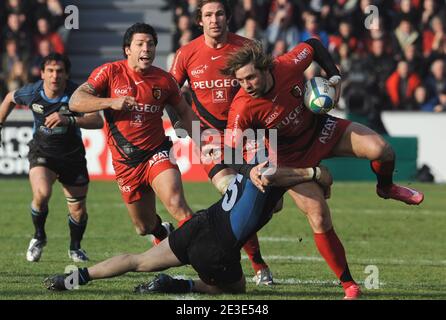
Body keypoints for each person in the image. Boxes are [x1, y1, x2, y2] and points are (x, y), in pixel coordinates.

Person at [220, 39, 424, 299]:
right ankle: (349, 284)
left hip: (322, 129)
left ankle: (386, 187)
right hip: (291, 158)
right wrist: (248, 170)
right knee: (318, 214)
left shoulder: (287, 65)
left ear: (264, 69)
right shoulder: (242, 106)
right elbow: (229, 151)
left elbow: (314, 45)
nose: (246, 85)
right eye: (240, 81)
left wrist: (335, 76)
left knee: (382, 149)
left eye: (250, 78)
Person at [44, 164, 333, 295]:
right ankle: (178, 284)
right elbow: (273, 178)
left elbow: (270, 193)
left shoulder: (248, 167)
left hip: (199, 223)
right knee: (235, 290)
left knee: (139, 260)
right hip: (216, 247)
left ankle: (74, 278)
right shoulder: (272, 173)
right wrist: (315, 174)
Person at [168, 0, 274, 286]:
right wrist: (185, 129)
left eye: (219, 14)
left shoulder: (249, 47)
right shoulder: (186, 53)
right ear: (199, 21)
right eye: (208, 15)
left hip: (249, 137)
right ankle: (255, 264)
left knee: (271, 204)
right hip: (211, 139)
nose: (214, 19)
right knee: (234, 196)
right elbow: (169, 93)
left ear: (228, 17)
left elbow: (269, 85)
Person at [68, 23, 197, 245]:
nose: (146, 49)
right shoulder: (109, 72)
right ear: (128, 49)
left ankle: (206, 258)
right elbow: (75, 101)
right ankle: (161, 232)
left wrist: (206, 142)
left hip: (157, 151)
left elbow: (184, 111)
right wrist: (112, 102)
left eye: (151, 44)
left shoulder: (165, 80)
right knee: (143, 226)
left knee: (177, 203)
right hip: (126, 163)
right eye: (140, 44)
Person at [0, 53, 104, 262]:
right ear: (42, 73)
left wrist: (69, 120)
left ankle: (75, 248)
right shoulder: (33, 91)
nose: (54, 76)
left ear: (67, 74)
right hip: (42, 152)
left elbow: (97, 120)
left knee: (77, 211)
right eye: (50, 71)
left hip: (72, 156)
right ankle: (39, 237)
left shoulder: (77, 93)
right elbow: (10, 97)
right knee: (42, 193)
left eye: (59, 71)